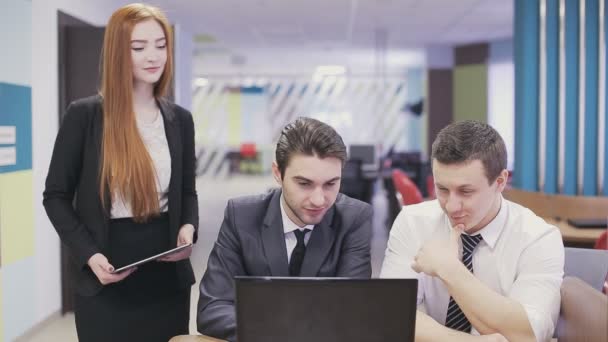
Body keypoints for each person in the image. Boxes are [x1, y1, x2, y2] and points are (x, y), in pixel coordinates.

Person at [43, 3, 198, 342]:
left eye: (160, 44)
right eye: (139, 47)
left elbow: (187, 191)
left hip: (165, 273)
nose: (153, 55)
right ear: (117, 51)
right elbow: (55, 196)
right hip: (107, 271)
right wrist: (89, 255)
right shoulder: (85, 116)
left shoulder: (180, 120)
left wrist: (188, 227)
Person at [380, 120, 564, 342]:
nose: (451, 206)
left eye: (466, 191)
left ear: (500, 181)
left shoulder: (539, 238)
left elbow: (528, 334)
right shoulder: (413, 222)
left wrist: (449, 270)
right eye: (442, 189)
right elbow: (394, 317)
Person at [197, 117, 373, 341]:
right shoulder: (241, 215)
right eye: (304, 184)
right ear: (278, 174)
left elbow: (352, 310)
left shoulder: (354, 218)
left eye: (331, 184)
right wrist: (280, 332)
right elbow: (212, 309)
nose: (319, 200)